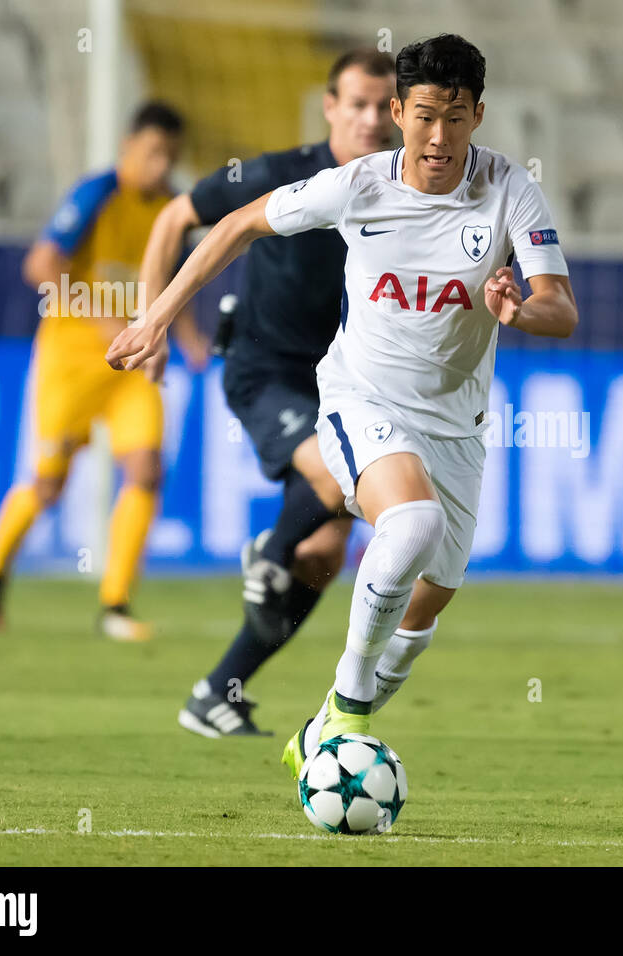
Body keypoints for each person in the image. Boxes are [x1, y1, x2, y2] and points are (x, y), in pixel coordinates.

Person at [104, 34, 578, 776]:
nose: (439, 136)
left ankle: (321, 724)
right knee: (410, 522)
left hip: (458, 427)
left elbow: (562, 308)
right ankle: (346, 712)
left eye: (456, 117)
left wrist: (520, 309)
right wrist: (157, 317)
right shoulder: (356, 183)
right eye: (424, 115)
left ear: (478, 116)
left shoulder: (511, 189)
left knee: (425, 610)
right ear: (399, 112)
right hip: (359, 399)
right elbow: (233, 225)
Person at [134, 49, 396, 737]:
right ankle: (268, 551)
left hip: (347, 387)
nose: (371, 118)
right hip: (266, 373)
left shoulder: (402, 192)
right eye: (358, 103)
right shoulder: (278, 174)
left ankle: (216, 693)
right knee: (338, 483)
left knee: (325, 554)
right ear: (331, 107)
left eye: (383, 105)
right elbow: (175, 219)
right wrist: (155, 320)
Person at [0, 101, 207, 642]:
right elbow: (40, 265)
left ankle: (115, 603)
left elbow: (172, 284)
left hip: (133, 361)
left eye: (169, 156)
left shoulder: (173, 208)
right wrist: (101, 318)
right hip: (72, 359)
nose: (160, 166)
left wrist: (189, 338)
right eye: (152, 153)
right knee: (49, 484)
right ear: (127, 148)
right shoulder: (95, 193)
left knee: (146, 469)